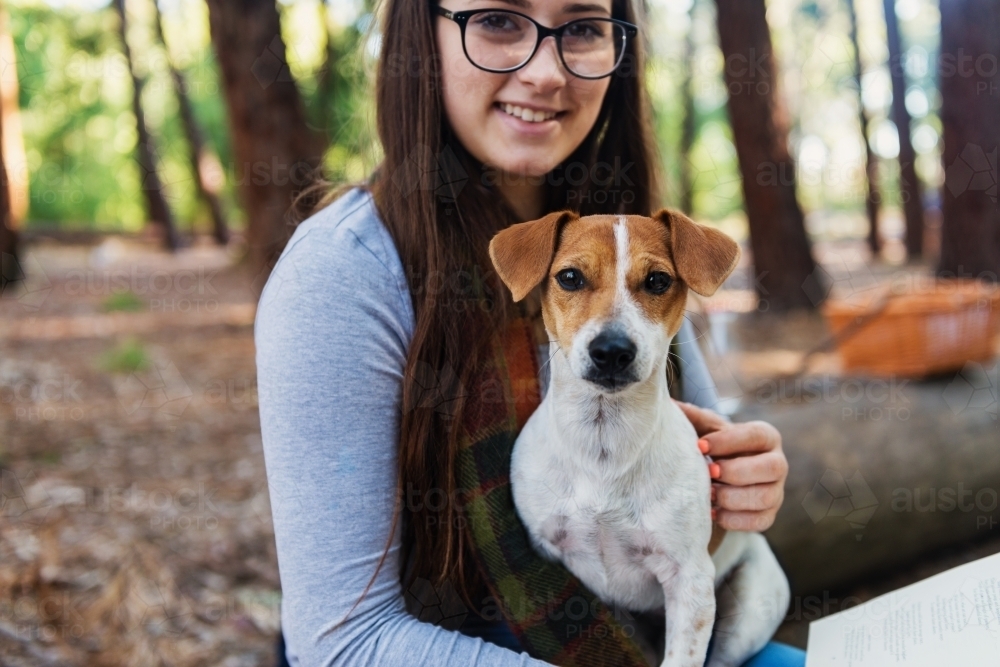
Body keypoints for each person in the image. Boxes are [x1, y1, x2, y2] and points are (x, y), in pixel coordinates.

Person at [255, 0, 805, 665]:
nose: (546, 71)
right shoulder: (341, 276)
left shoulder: (636, 247)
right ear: (419, 34)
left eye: (581, 28)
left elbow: (698, 514)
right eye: (497, 19)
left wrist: (741, 477)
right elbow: (342, 641)